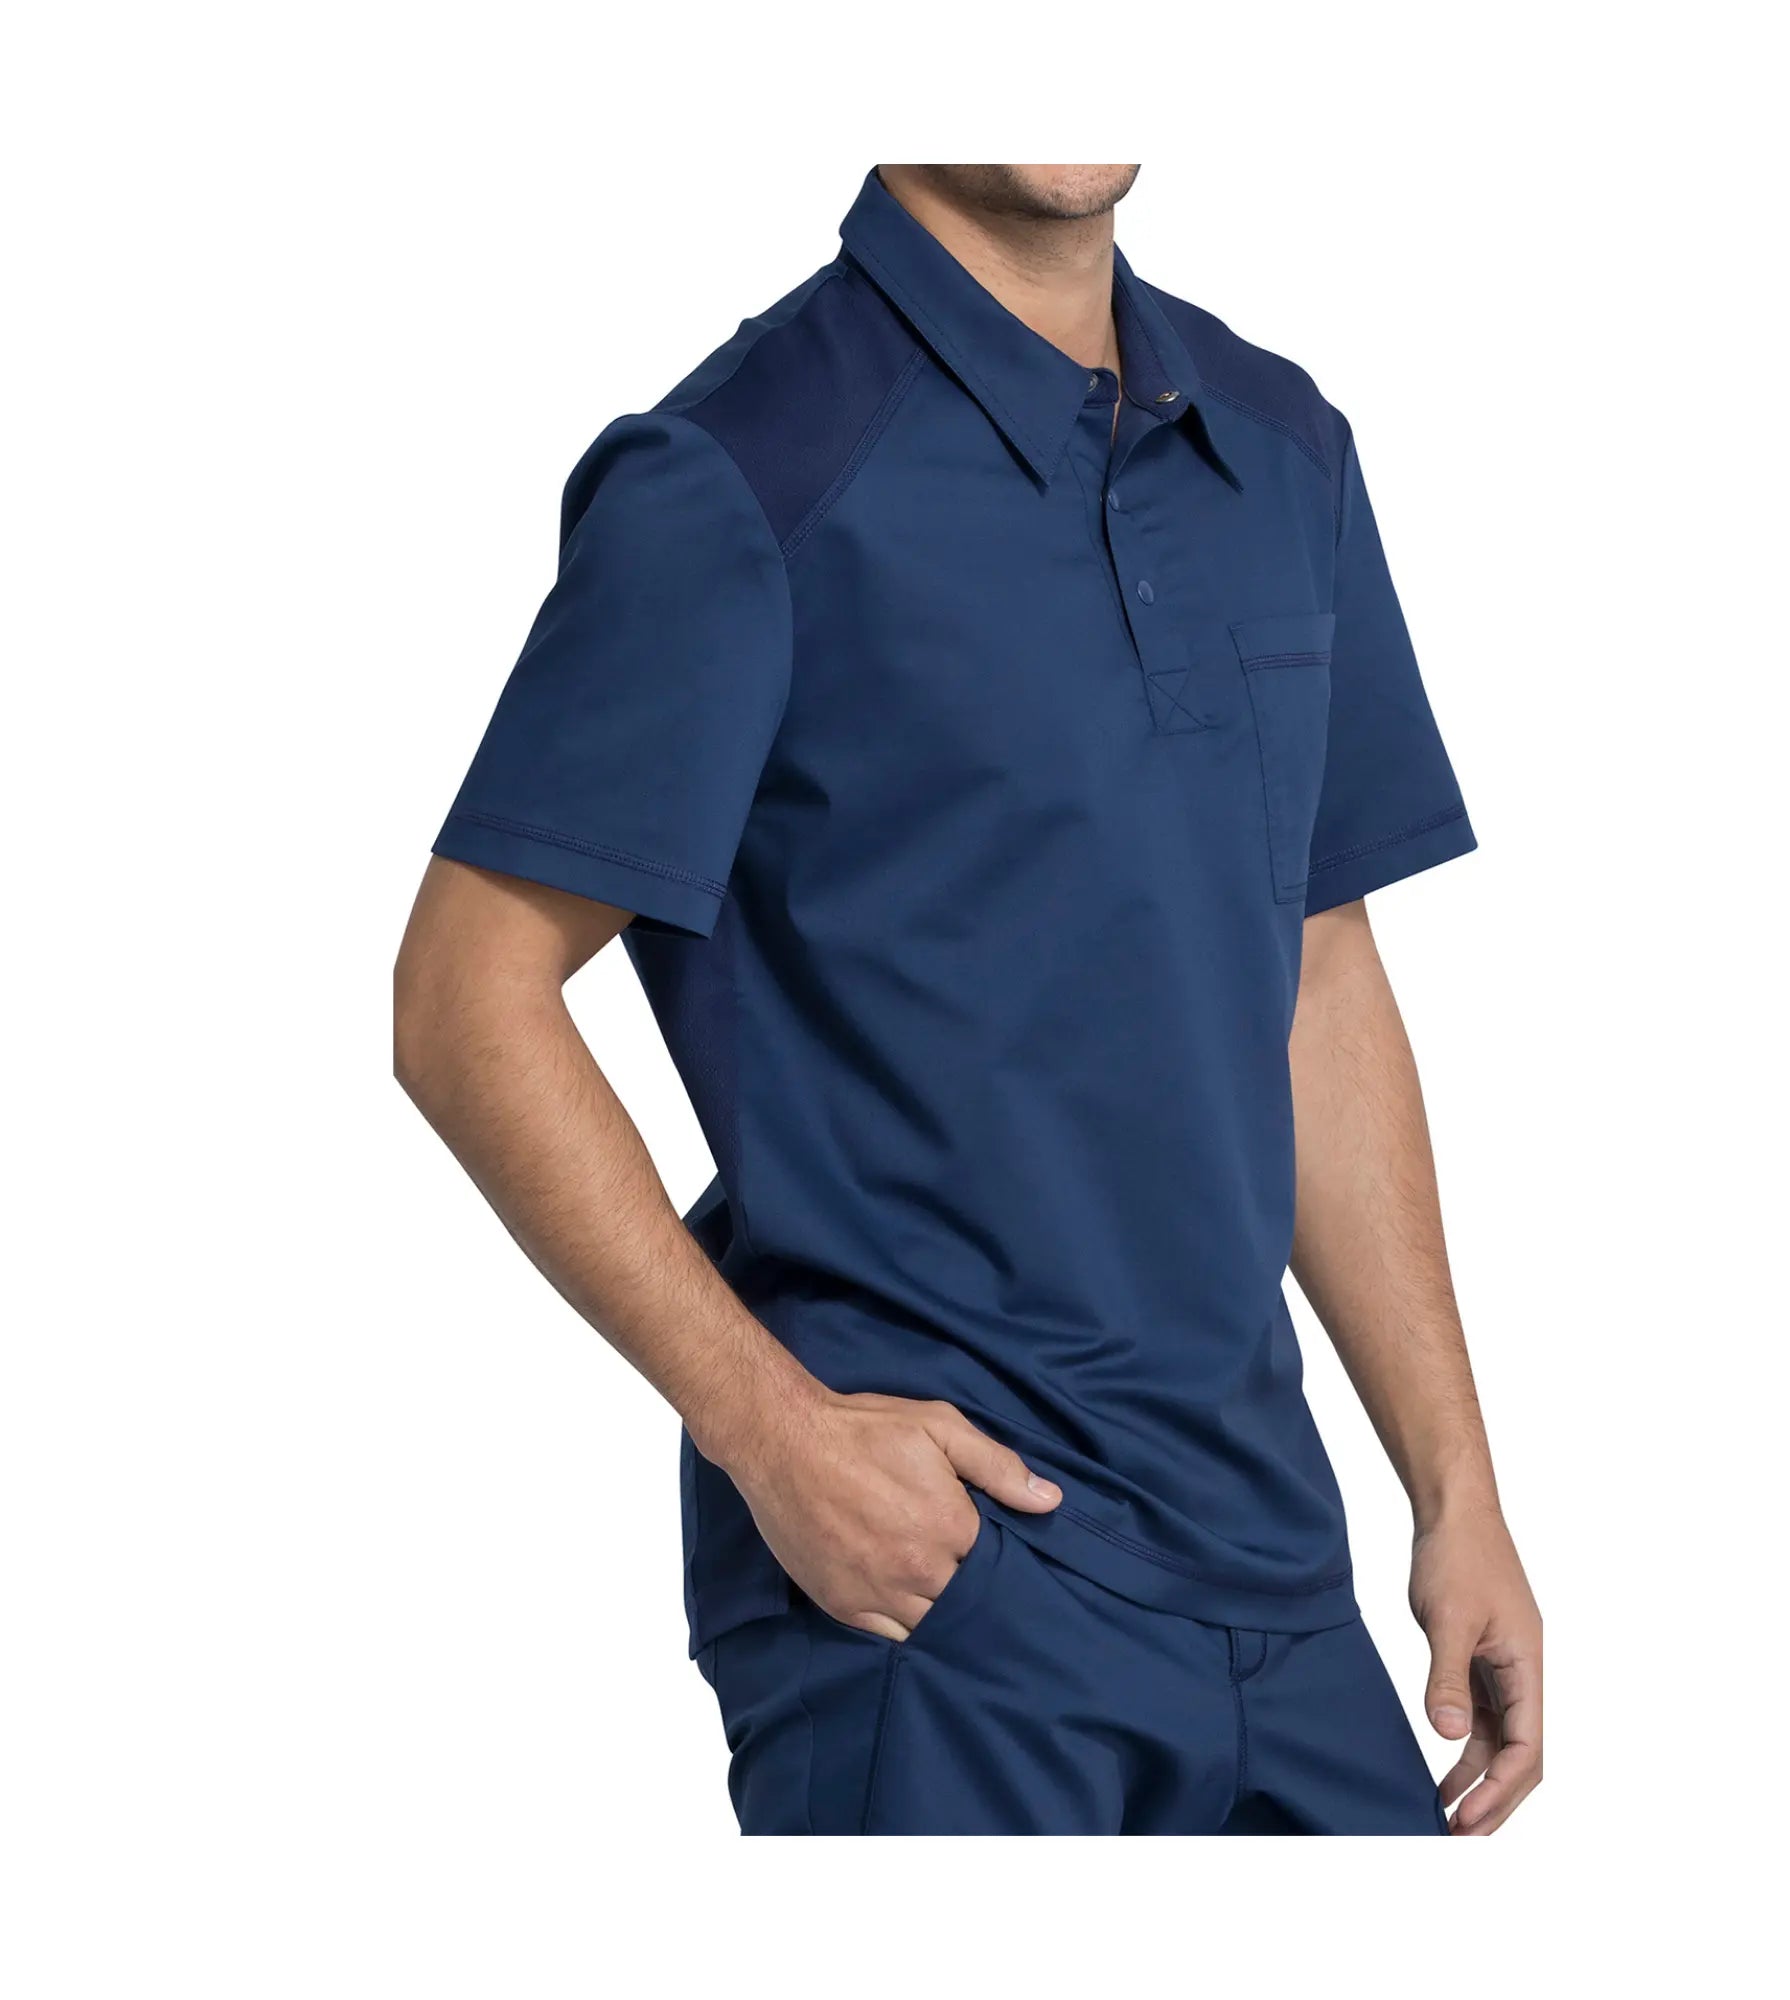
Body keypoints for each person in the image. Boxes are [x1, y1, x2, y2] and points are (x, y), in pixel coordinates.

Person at [393, 164, 1541, 1835]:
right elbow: (463, 995)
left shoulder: (1281, 447)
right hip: (943, 1588)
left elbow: (1310, 975)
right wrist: (771, 1434)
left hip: (1274, 1563)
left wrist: (1455, 1484)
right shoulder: (745, 468)